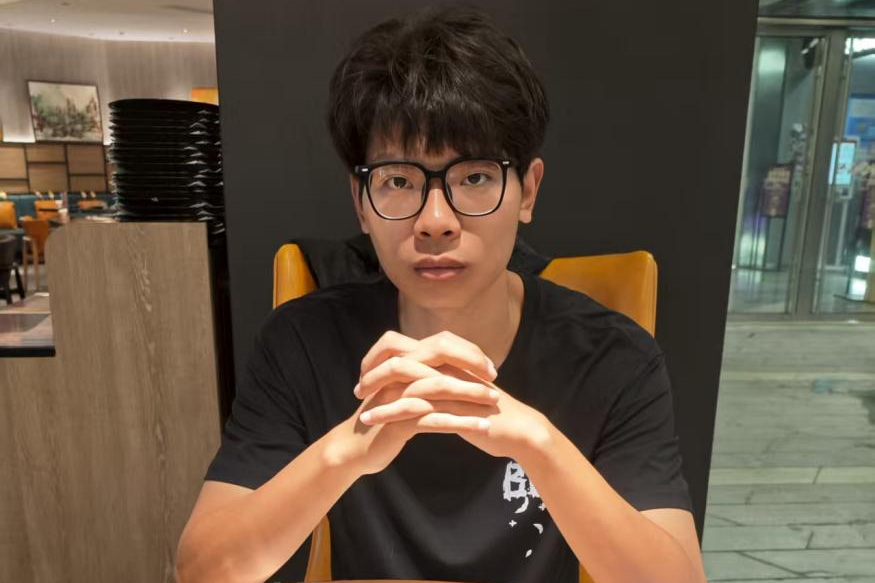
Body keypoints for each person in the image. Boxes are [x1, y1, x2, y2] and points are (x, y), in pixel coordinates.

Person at [174, 7, 707, 583]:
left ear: (527, 191)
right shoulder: (303, 343)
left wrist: (540, 445)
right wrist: (346, 450)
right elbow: (204, 571)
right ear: (360, 202)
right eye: (398, 181)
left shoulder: (613, 358)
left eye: (474, 177)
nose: (435, 221)